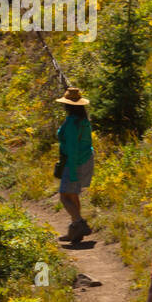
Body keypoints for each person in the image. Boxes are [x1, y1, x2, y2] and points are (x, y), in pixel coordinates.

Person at [54, 86, 94, 243]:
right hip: (85, 159)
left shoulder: (72, 123)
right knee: (73, 194)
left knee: (64, 196)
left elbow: (72, 147)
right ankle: (74, 233)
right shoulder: (83, 119)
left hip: (74, 161)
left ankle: (79, 223)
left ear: (67, 105)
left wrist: (71, 171)